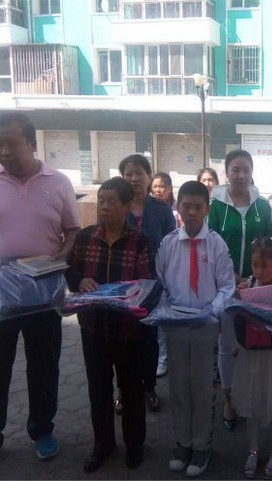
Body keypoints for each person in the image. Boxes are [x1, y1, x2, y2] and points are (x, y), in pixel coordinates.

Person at [0, 112, 80, 459]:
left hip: (43, 288)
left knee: (44, 364)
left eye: (11, 144)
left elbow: (72, 229)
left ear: (32, 144)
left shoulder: (58, 182)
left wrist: (64, 252)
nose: (4, 152)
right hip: (1, 289)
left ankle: (42, 430)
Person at [66, 177, 154, 472]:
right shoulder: (85, 238)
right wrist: (80, 280)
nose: (104, 206)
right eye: (101, 200)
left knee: (131, 390)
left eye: (111, 201)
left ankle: (135, 444)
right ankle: (102, 444)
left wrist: (128, 294)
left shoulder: (139, 241)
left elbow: (146, 283)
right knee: (98, 390)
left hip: (129, 332)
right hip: (93, 329)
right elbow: (71, 271)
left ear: (127, 205)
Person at [155, 181, 236, 477]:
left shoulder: (216, 243)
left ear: (207, 210)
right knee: (179, 388)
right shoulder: (168, 243)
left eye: (197, 207)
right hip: (176, 326)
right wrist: (167, 310)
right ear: (177, 207)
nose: (191, 213)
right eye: (186, 206)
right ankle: (183, 442)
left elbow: (227, 286)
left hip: (205, 326)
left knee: (202, 389)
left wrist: (210, 311)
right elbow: (160, 283)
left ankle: (202, 446)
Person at [208, 149, 272, 430]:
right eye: (235, 169)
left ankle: (250, 395)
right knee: (227, 345)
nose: (241, 175)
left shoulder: (262, 206)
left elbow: (269, 244)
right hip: (225, 285)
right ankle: (229, 399)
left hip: (257, 284)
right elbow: (211, 246)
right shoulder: (215, 206)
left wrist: (257, 277)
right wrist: (232, 277)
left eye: (246, 169)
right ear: (226, 172)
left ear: (252, 172)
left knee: (254, 341)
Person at [232, 238, 272, 480]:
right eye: (255, 265)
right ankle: (253, 450)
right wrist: (239, 297)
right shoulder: (248, 284)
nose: (259, 271)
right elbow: (238, 316)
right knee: (252, 403)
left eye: (264, 266)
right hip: (252, 353)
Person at [119, 154, 176, 413]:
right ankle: (123, 391)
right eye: (128, 174)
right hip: (122, 284)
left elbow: (170, 246)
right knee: (122, 340)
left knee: (149, 338)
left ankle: (149, 387)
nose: (134, 178)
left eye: (138, 173)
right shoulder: (117, 205)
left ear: (149, 176)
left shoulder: (161, 210)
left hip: (153, 283)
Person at [150, 171, 180, 378]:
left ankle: (165, 357)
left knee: (165, 315)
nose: (158, 190)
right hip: (151, 269)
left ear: (169, 188)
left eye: (162, 186)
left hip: (170, 267)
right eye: (155, 187)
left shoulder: (168, 210)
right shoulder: (147, 208)